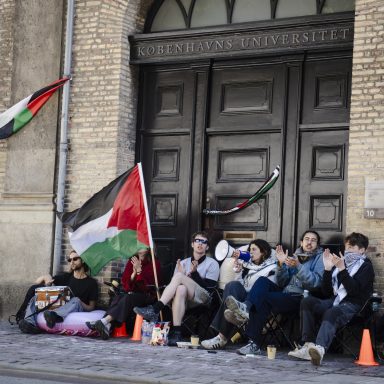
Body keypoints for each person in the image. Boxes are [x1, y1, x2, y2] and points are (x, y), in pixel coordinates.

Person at [225, 230, 324, 356]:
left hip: (302, 298)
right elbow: (282, 282)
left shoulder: (320, 258)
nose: (309, 242)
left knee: (264, 299)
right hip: (286, 293)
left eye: (313, 240)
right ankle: (247, 308)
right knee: (262, 281)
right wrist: (281, 264)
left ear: (317, 244)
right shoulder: (294, 256)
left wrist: (298, 267)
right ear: (301, 242)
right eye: (307, 239)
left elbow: (316, 283)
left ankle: (250, 329)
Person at [288, 232, 374, 365]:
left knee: (332, 312)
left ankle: (320, 349)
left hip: (353, 304)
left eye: (352, 248)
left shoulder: (366, 267)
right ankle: (308, 345)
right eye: (347, 248)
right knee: (308, 302)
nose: (348, 251)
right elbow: (326, 291)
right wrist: (328, 270)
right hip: (335, 300)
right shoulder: (341, 263)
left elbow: (354, 291)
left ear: (362, 250)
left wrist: (342, 270)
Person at [134, 231, 220, 346]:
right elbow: (173, 287)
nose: (200, 244)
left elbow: (210, 289)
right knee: (180, 289)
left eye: (204, 242)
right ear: (192, 244)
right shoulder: (183, 263)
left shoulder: (212, 263)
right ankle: (177, 333)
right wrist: (181, 275)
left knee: (180, 277)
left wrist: (194, 275)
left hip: (204, 298)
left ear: (207, 246)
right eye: (197, 241)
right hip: (185, 299)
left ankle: (155, 309)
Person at [201, 239, 276, 350]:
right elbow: (242, 287)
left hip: (257, 303)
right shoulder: (248, 267)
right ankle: (237, 315)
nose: (250, 252)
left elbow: (267, 287)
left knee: (255, 284)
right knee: (232, 285)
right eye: (249, 249)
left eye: (254, 249)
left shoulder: (272, 268)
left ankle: (222, 337)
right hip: (242, 305)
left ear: (263, 252)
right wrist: (239, 273)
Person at [86, 247, 161, 339]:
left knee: (127, 298)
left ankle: (104, 322)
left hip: (147, 296)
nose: (139, 246)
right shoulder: (132, 261)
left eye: (143, 244)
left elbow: (146, 287)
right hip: (132, 293)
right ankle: (106, 325)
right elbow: (126, 284)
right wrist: (133, 274)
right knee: (118, 298)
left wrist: (139, 271)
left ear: (148, 248)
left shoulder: (154, 263)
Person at [18, 250, 98, 334]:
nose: (72, 262)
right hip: (59, 304)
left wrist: (80, 302)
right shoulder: (66, 277)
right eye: (70, 260)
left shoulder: (91, 283)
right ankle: (29, 324)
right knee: (36, 298)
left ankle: (53, 315)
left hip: (76, 307)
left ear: (83, 260)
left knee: (76, 300)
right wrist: (48, 280)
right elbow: (40, 280)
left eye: (75, 259)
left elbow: (91, 307)